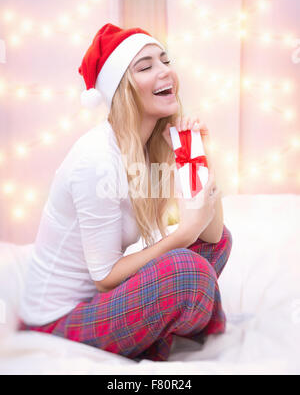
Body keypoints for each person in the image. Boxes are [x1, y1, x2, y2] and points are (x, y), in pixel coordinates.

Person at [17, 23, 232, 362]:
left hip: (104, 301)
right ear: (122, 89)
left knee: (217, 244)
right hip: (61, 317)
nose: (165, 72)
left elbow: (213, 233)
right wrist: (184, 233)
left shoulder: (150, 146)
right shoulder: (96, 158)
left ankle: (158, 331)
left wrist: (199, 157)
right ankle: (162, 332)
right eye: (145, 67)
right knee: (185, 270)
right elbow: (104, 278)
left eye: (165, 60)